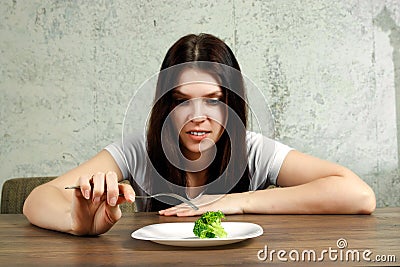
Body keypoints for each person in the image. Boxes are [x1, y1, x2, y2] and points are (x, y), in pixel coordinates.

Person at [23, 33, 376, 236]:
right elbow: (37, 200)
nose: (198, 118)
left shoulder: (252, 150)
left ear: (231, 106)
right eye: (181, 102)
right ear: (165, 105)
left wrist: (232, 203)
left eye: (213, 101)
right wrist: (77, 223)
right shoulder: (140, 150)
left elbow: (359, 196)